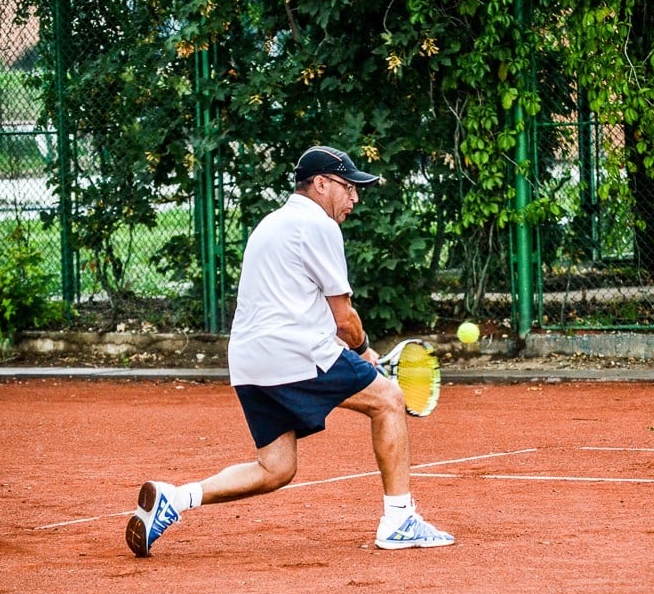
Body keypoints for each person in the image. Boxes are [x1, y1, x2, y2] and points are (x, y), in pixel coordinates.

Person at [125, 145, 455, 557]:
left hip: (248, 362)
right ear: (320, 184)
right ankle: (400, 520)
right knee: (388, 399)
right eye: (348, 186)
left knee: (276, 467)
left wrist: (352, 354)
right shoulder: (318, 226)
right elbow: (344, 319)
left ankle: (175, 499)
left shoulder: (271, 224)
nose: (355, 198)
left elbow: (294, 312)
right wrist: (365, 351)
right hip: (292, 354)